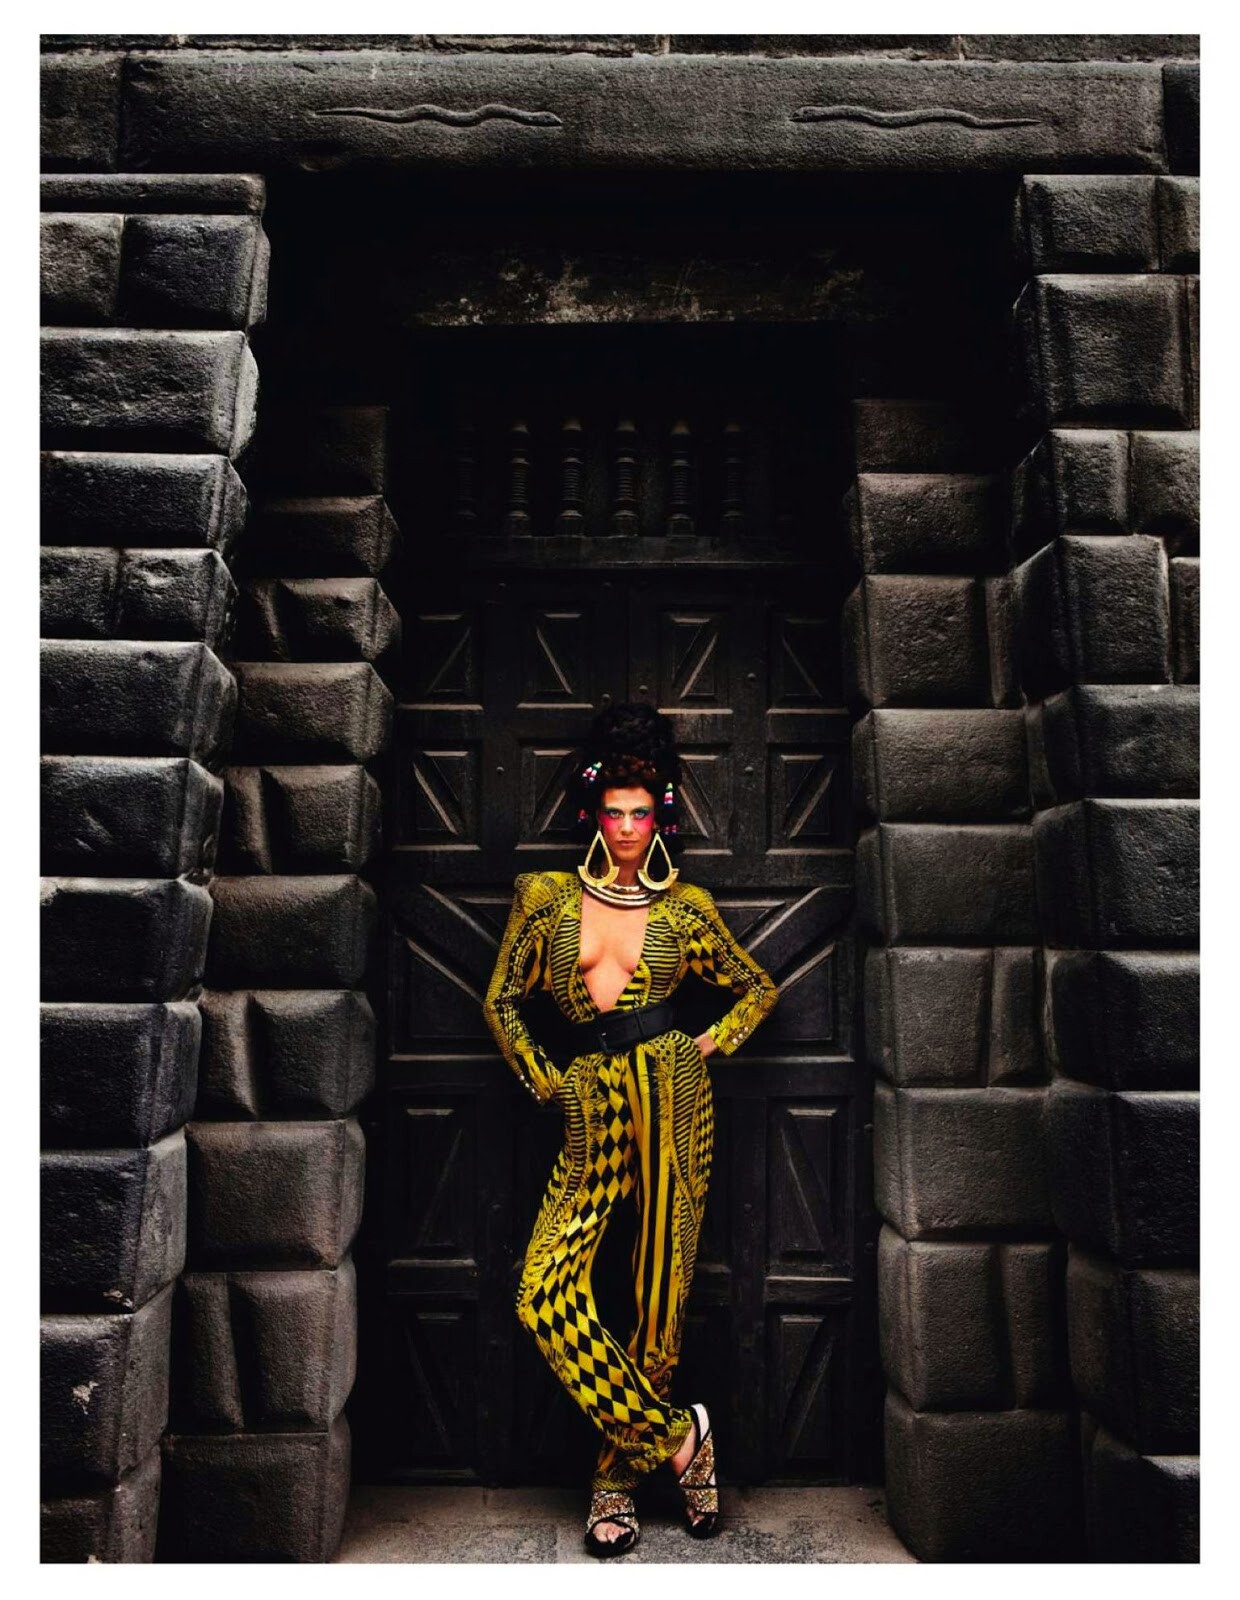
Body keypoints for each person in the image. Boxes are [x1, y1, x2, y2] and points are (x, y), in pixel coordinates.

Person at [482, 702, 780, 1557]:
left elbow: (756, 988)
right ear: (594, 813)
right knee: (543, 1290)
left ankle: (613, 1482)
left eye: (638, 813)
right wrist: (546, 1078)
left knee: (660, 1293)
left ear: (659, 818)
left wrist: (707, 1044)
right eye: (612, 812)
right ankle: (681, 1439)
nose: (623, 828)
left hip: (673, 1091)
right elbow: (503, 1000)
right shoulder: (545, 899)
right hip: (591, 1098)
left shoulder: (686, 908)